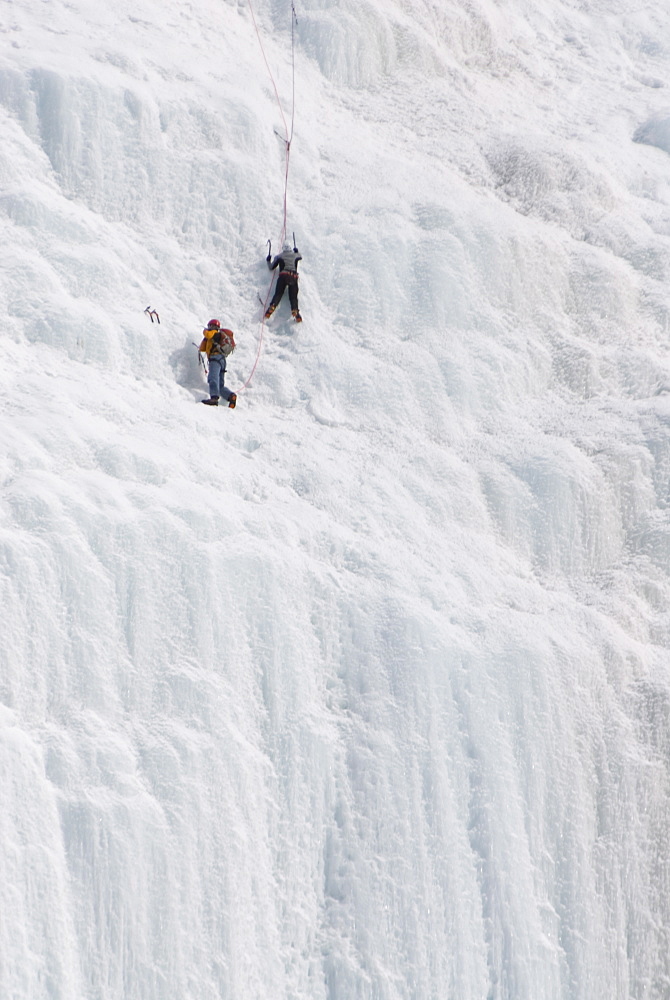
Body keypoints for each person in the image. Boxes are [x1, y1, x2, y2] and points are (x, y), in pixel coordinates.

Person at [198, 319, 237, 407]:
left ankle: (214, 398)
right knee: (220, 385)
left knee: (213, 378)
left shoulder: (214, 332)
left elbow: (207, 335)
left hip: (215, 359)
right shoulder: (215, 336)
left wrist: (205, 331)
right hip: (222, 360)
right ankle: (231, 396)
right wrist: (206, 340)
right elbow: (202, 348)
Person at [265, 242, 302, 321]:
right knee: (293, 297)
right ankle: (295, 310)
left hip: (283, 276)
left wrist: (268, 260)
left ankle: (272, 306)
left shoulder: (279, 256)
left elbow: (271, 267)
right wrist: (296, 251)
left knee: (278, 293)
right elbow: (300, 256)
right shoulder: (295, 255)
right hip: (293, 276)